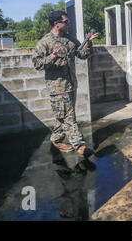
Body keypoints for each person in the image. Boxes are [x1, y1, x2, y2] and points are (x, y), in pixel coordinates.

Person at [32, 11, 99, 157]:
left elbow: (82, 55)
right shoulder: (45, 42)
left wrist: (89, 42)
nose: (69, 24)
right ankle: (80, 146)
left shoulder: (70, 39)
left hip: (71, 85)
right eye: (66, 22)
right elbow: (36, 64)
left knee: (61, 116)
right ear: (57, 24)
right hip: (57, 88)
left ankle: (56, 139)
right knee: (69, 117)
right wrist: (52, 57)